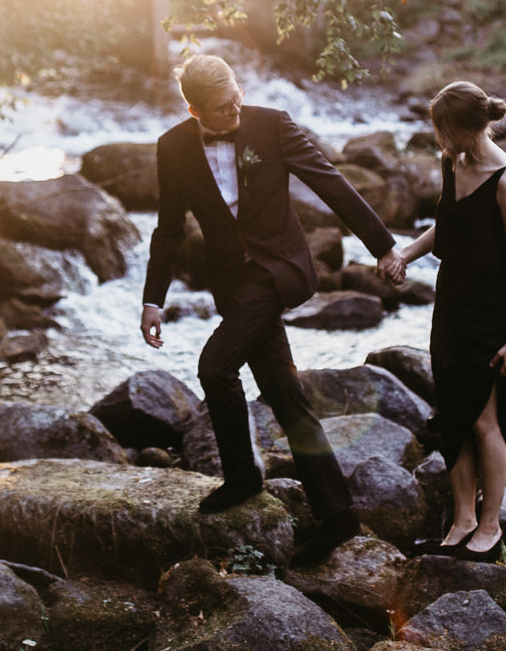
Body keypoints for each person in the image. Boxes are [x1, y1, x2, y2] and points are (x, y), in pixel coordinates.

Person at [140, 54, 403, 567]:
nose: (236, 110)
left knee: (214, 367)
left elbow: (330, 182)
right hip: (231, 283)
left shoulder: (272, 124)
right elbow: (168, 229)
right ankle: (338, 515)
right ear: (195, 110)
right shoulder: (172, 147)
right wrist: (154, 299)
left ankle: (243, 477)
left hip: (277, 270)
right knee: (285, 393)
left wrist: (383, 246)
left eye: (237, 97)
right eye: (223, 107)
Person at [381, 81, 506, 562]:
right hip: (450, 309)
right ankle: (463, 519)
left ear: (471, 125)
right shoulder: (452, 163)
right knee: (453, 418)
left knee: (484, 420)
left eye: (447, 131)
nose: (442, 141)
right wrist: (404, 253)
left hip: (489, 313)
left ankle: (490, 526)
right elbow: (447, 224)